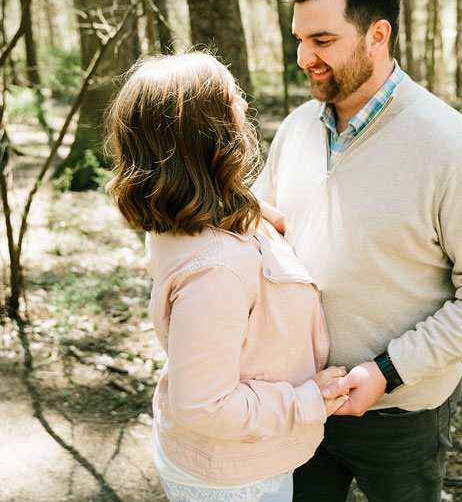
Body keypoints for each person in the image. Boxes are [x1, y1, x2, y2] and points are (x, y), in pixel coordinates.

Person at [253, 0, 462, 502]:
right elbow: (266, 224)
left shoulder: (450, 148)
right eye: (300, 41)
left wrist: (388, 369)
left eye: (323, 41)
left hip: (401, 416)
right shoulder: (296, 129)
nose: (305, 58)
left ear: (377, 34)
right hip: (298, 401)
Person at [105, 52, 347, 501]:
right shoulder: (216, 268)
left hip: (236, 458)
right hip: (235, 479)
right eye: (231, 97)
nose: (243, 105)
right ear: (207, 132)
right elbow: (203, 404)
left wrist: (250, 211)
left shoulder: (184, 216)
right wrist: (309, 399)